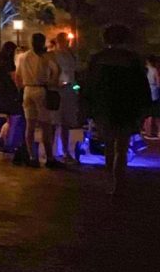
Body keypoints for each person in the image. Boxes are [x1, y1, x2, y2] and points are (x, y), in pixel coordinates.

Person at [82, 25, 152, 195]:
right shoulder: (133, 59)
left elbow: (89, 85)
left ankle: (109, 178)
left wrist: (88, 108)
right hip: (126, 108)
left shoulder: (97, 59)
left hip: (104, 107)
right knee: (122, 146)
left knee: (108, 145)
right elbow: (142, 86)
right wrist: (143, 108)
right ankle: (119, 182)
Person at [17, 32, 63, 169]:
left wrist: (21, 88)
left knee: (30, 125)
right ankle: (49, 157)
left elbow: (18, 76)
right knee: (45, 125)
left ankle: (32, 156)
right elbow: (57, 70)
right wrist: (52, 82)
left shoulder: (23, 57)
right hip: (41, 90)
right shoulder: (46, 57)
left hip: (27, 90)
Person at [50, 32, 80, 160]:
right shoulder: (52, 55)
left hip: (69, 90)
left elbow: (74, 74)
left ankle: (67, 151)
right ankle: (51, 150)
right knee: (53, 122)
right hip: (57, 90)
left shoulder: (71, 55)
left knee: (67, 122)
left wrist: (76, 88)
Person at [0, 41, 23, 152]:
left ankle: (1, 138)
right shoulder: (9, 63)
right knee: (14, 118)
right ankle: (8, 143)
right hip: (10, 94)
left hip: (1, 93)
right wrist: (21, 89)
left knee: (9, 118)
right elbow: (14, 79)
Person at [142, 54, 160, 138]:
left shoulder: (144, 70)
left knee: (147, 113)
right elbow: (158, 83)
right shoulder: (154, 70)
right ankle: (153, 132)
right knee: (154, 113)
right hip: (154, 93)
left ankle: (146, 131)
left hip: (145, 93)